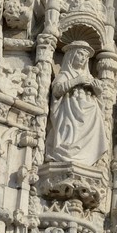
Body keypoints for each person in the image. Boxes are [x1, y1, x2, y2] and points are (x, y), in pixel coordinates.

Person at [46, 41, 107, 169]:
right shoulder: (64, 75)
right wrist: (76, 81)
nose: (83, 58)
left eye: (85, 56)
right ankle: (65, 152)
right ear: (71, 55)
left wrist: (97, 91)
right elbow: (57, 91)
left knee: (95, 112)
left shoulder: (89, 77)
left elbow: (100, 102)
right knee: (68, 132)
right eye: (80, 54)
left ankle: (88, 155)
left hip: (87, 114)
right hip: (69, 112)